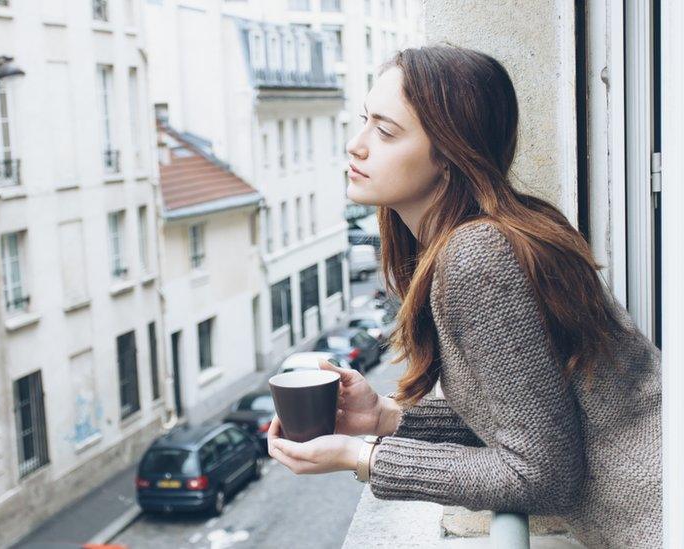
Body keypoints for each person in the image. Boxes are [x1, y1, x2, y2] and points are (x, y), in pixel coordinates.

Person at [266, 45, 661, 548]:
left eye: (385, 132)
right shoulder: (489, 236)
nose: (356, 145)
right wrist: (384, 419)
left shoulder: (477, 256)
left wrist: (361, 457)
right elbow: (534, 415)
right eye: (364, 121)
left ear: (452, 155)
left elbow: (542, 474)